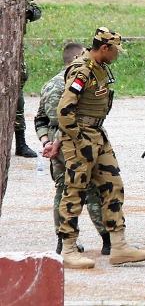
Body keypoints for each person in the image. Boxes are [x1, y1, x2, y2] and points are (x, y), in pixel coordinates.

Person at [51, 28, 145, 269]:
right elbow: (64, 111)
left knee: (113, 185)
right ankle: (68, 249)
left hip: (98, 134)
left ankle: (119, 246)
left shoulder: (99, 67)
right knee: (75, 190)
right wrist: (79, 139)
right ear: (104, 48)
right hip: (81, 137)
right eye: (115, 50)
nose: (117, 54)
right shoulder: (82, 71)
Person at [35, 42, 109, 256]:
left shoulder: (49, 85)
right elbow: (70, 119)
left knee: (63, 190)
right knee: (92, 189)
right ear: (77, 59)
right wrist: (58, 141)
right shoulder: (78, 82)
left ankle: (63, 240)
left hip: (55, 146)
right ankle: (107, 240)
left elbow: (40, 119)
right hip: (75, 141)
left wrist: (47, 142)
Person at [15, 0, 42, 157]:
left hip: (12, 51)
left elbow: (37, 11)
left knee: (17, 97)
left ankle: (20, 143)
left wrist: (25, 12)